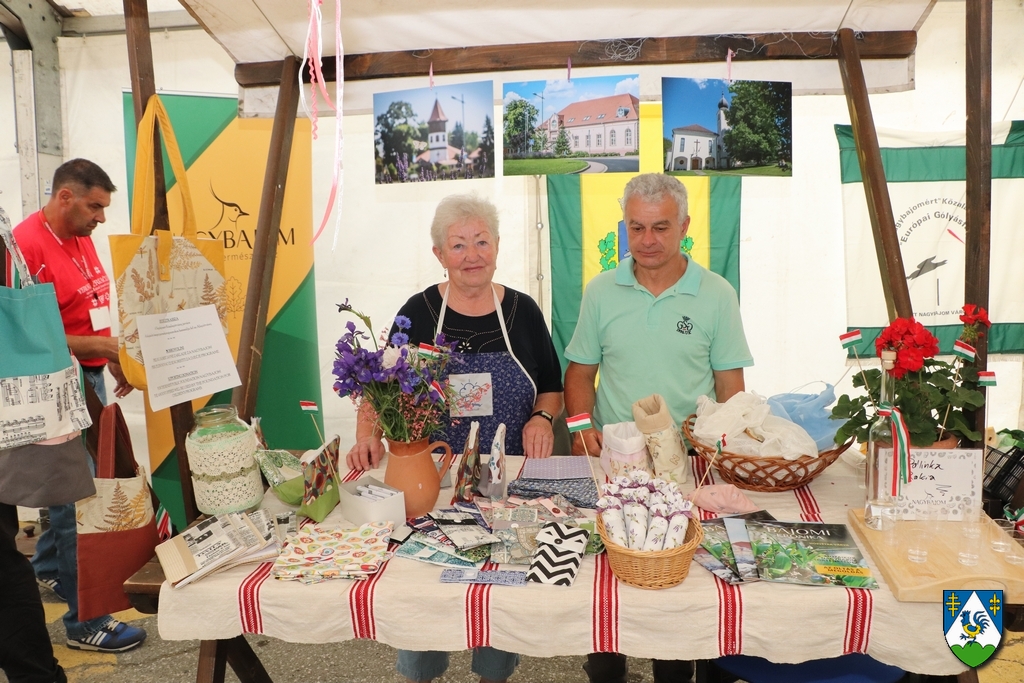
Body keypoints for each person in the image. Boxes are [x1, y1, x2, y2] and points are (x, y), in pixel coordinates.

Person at [347, 193, 564, 683]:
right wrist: (366, 434)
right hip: (434, 479)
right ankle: (420, 671)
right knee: (426, 591)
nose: (472, 255)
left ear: (498, 246)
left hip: (505, 483)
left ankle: (494, 672)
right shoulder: (419, 312)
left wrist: (541, 419)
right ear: (439, 254)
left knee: (499, 590)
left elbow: (551, 386)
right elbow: (378, 383)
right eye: (459, 245)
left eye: (481, 242)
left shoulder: (524, 311)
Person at [564, 173, 753, 683]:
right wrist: (580, 429)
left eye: (661, 228)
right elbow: (579, 373)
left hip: (686, 468)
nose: (647, 240)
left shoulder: (716, 294)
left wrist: (721, 453)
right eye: (637, 227)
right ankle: (607, 669)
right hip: (615, 466)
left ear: (685, 227)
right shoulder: (601, 291)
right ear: (624, 226)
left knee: (676, 588)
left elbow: (731, 390)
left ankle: (675, 670)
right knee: (610, 586)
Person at [12, 159, 146, 653]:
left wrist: (108, 355)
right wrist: (103, 348)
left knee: (77, 491)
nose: (101, 218)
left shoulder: (79, 234)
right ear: (64, 196)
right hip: (54, 390)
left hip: (88, 378)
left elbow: (90, 306)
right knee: (77, 500)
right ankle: (84, 622)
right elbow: (24, 335)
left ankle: (50, 566)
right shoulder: (24, 247)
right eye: (95, 206)